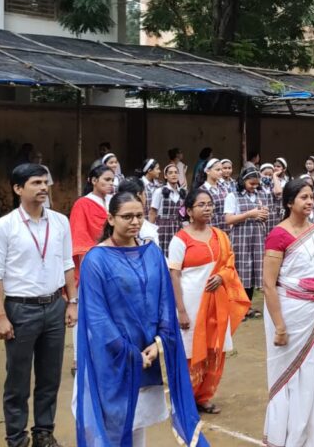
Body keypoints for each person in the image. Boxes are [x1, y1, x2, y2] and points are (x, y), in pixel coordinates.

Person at [75, 192, 209, 447]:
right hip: (113, 357)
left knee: (138, 421)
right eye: (127, 216)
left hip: (149, 353)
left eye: (139, 215)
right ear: (111, 219)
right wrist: (128, 352)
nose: (135, 222)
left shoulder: (152, 253)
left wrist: (158, 343)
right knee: (115, 424)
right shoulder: (96, 259)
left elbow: (164, 302)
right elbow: (97, 317)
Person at [0, 163, 77, 447]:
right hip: (20, 309)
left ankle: (43, 433)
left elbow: (67, 263)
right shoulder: (3, 227)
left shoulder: (60, 222)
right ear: (18, 188)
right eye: (36, 183)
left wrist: (72, 302)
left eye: (44, 182)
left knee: (50, 377)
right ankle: (16, 438)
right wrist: (0, 316)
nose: (43, 187)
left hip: (55, 305)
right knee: (18, 379)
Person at [262, 179, 314, 446]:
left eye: (311, 197)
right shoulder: (278, 235)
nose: (309, 202)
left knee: (313, 372)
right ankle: (287, 435)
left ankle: (311, 434)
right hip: (288, 314)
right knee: (289, 374)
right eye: (303, 197)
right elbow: (268, 285)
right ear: (289, 202)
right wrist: (280, 326)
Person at [168, 189, 250, 415]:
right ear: (189, 211)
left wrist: (222, 276)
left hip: (217, 304)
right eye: (201, 205)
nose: (207, 208)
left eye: (210, 204)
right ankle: (186, 401)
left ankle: (204, 396)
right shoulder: (180, 239)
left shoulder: (220, 236)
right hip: (190, 304)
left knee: (215, 349)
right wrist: (181, 310)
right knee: (190, 352)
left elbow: (229, 264)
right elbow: (174, 275)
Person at [225, 167, 270, 316]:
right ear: (243, 181)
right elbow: (228, 219)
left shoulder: (260, 195)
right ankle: (236, 307)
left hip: (257, 237)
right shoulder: (233, 196)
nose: (254, 186)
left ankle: (247, 307)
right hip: (241, 237)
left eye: (257, 184)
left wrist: (263, 215)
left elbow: (264, 214)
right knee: (240, 270)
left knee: (252, 271)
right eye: (251, 183)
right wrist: (250, 214)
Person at [70, 165, 115, 276]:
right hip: (93, 257)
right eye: (107, 179)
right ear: (94, 181)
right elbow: (80, 236)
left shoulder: (114, 201)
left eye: (112, 180)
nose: (111, 183)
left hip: (116, 253)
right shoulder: (82, 204)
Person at [149, 163, 187, 254]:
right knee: (164, 252)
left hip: (178, 226)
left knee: (177, 252)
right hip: (163, 226)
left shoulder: (182, 192)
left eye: (176, 172)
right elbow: (153, 212)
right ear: (166, 176)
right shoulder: (160, 191)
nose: (174, 175)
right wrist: (150, 231)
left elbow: (184, 213)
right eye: (170, 173)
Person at [199, 159, 228, 232]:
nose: (221, 172)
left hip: (225, 225)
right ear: (208, 171)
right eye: (217, 170)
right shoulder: (202, 190)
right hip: (210, 225)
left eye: (221, 170)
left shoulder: (224, 187)